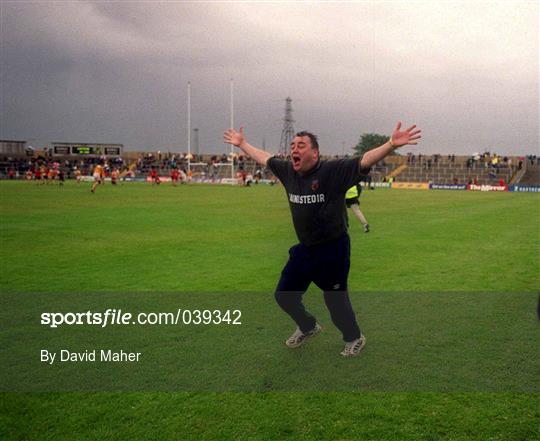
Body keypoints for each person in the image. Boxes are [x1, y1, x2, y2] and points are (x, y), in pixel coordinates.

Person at [224, 122, 421, 357]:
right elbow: (266, 158)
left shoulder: (332, 171)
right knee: (284, 296)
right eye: (293, 146)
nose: (294, 149)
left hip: (333, 250)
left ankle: (354, 337)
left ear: (314, 153)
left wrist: (390, 144)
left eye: (301, 145)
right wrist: (243, 144)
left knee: (335, 302)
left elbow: (364, 160)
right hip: (305, 249)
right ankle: (308, 326)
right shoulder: (288, 172)